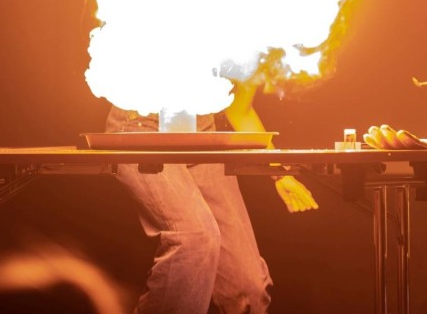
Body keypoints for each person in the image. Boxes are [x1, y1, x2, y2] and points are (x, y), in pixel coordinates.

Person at [106, 76, 318, 313]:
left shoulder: (253, 54)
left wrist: (280, 173)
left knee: (247, 287)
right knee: (195, 238)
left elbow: (240, 110)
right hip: (142, 127)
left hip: (201, 134)